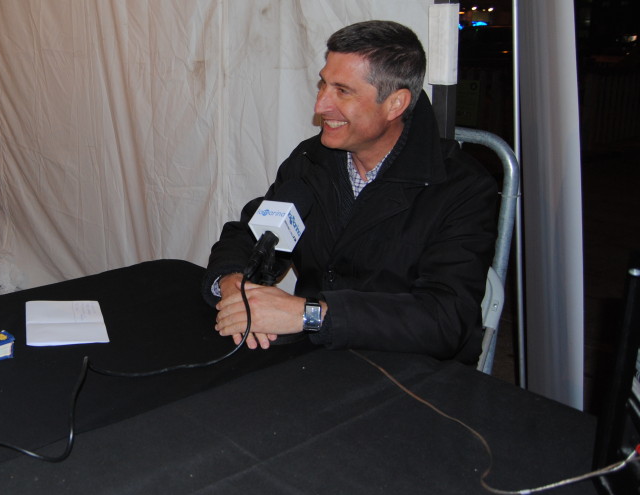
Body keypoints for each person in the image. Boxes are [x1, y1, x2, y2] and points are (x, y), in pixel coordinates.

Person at [203, 20, 496, 364]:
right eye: (323, 85)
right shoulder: (310, 160)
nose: (321, 106)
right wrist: (232, 280)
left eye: (342, 91)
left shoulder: (463, 188)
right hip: (317, 359)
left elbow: (444, 320)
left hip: (413, 372)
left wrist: (310, 315)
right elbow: (253, 235)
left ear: (395, 104)